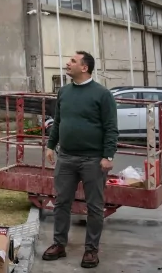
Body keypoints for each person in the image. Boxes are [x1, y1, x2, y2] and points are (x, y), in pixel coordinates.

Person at [43, 51, 118, 269]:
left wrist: (108, 155)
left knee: (94, 207)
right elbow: (58, 121)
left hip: (93, 160)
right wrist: (50, 145)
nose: (68, 63)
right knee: (61, 202)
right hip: (66, 157)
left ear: (84, 68)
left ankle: (91, 250)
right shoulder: (64, 92)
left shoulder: (102, 94)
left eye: (73, 61)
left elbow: (111, 127)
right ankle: (59, 244)